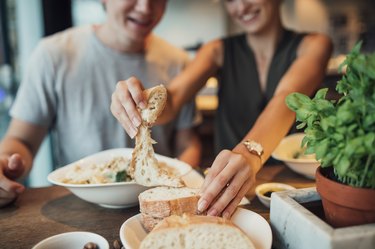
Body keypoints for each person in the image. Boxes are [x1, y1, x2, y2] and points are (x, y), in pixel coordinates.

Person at [110, 0, 332, 218]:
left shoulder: (315, 44)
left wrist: (248, 154)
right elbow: (175, 98)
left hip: (294, 187)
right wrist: (141, 100)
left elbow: (286, 99)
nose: (241, 7)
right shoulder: (216, 49)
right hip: (225, 189)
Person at [0, 0, 202, 208]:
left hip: (158, 203)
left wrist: (181, 182)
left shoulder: (178, 61)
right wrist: (6, 163)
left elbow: (187, 143)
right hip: (80, 207)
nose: (145, 8)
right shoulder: (53, 54)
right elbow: (21, 140)